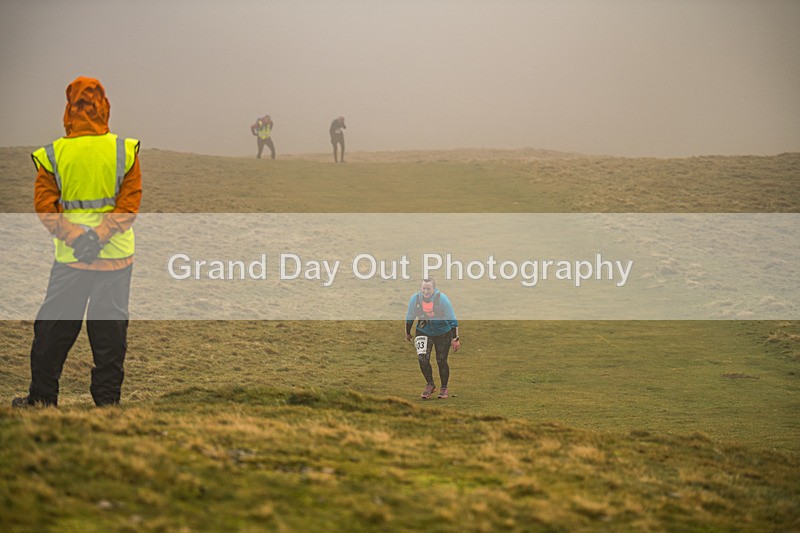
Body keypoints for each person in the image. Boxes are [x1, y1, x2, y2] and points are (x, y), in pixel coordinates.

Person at [12, 76, 141, 408]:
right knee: (109, 334)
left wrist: (76, 238)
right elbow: (129, 206)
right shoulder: (123, 150)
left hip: (71, 258)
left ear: (69, 108)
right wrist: (99, 237)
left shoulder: (53, 154)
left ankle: (41, 400)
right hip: (115, 258)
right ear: (105, 106)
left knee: (53, 329)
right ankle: (108, 405)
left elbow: (46, 206)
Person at [405, 278, 461, 399]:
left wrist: (455, 338)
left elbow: (452, 319)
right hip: (423, 331)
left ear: (434, 289)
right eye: (424, 288)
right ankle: (430, 384)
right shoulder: (415, 299)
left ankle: (444, 387)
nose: (426, 291)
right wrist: (408, 332)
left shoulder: (442, 299)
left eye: (428, 288)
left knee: (441, 360)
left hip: (443, 332)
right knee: (422, 358)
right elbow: (410, 316)